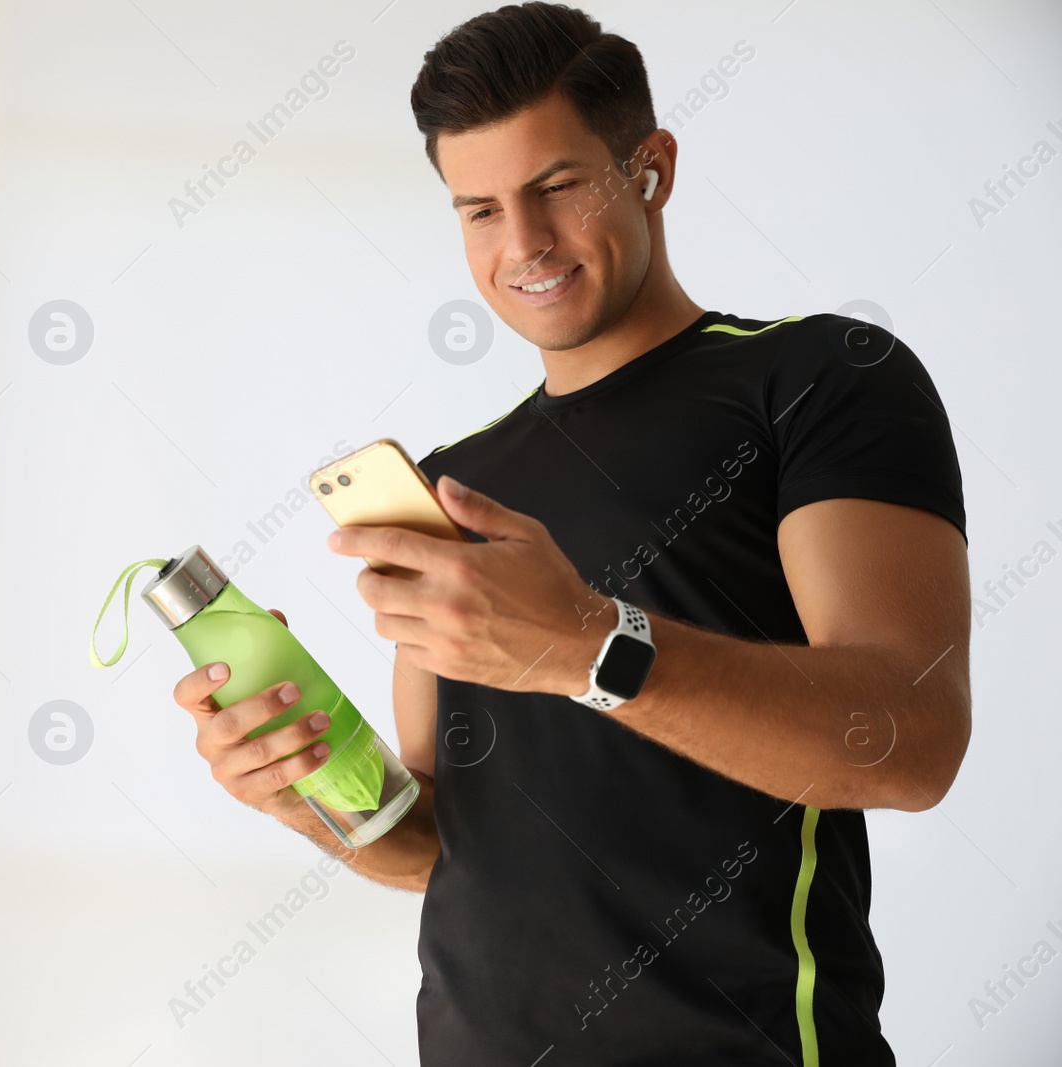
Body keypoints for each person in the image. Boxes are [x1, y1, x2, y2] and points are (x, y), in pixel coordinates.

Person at [171, 4, 969, 1064]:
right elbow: (443, 844)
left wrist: (589, 645)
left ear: (651, 167)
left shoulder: (819, 378)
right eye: (479, 210)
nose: (523, 245)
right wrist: (304, 789)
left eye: (555, 188)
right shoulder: (455, 483)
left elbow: (908, 739)